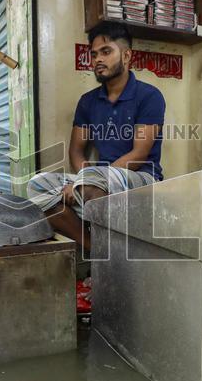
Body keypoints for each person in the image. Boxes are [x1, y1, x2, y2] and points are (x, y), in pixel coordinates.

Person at [28, 22, 165, 252]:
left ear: (126, 55)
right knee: (37, 185)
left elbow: (139, 154)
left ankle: (104, 243)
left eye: (106, 51)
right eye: (94, 54)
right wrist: (83, 179)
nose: (97, 60)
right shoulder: (88, 101)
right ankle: (96, 249)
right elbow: (76, 151)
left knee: (90, 183)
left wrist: (84, 180)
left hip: (142, 178)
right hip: (97, 181)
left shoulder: (149, 96)